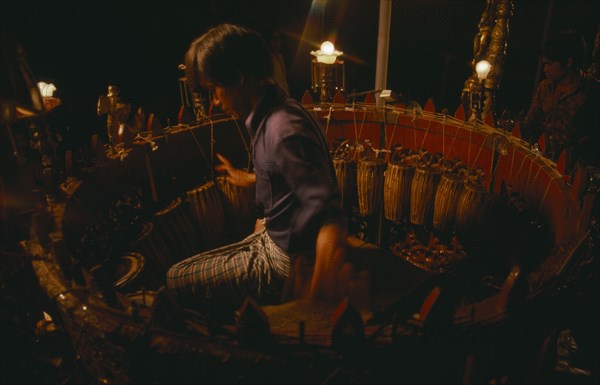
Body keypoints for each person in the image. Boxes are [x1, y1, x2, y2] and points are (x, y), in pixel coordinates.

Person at [166, 23, 348, 314]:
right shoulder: (274, 107)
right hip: (272, 236)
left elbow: (329, 214)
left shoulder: (283, 130)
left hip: (284, 261)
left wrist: (318, 291)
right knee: (183, 268)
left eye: (214, 90)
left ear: (238, 79)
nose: (214, 102)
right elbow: (288, 178)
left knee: (176, 279)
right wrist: (253, 179)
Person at [522, 30, 600, 170]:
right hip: (540, 161)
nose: (545, 69)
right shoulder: (545, 87)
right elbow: (530, 124)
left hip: (574, 169)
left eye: (549, 64)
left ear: (568, 62)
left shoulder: (592, 91)